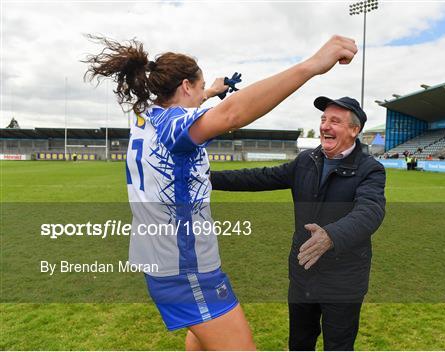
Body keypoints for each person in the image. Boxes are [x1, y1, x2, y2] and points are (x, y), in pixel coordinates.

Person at [83, 35, 358, 350]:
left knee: (199, 338)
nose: (203, 97)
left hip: (164, 263)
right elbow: (231, 115)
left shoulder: (146, 117)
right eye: (198, 89)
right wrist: (311, 66)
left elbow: (187, 107)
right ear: (186, 86)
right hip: (187, 271)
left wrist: (211, 90)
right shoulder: (176, 128)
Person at [211, 96, 386, 350]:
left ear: (354, 130)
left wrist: (331, 236)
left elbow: (370, 211)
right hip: (303, 274)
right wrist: (208, 179)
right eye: (323, 119)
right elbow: (261, 177)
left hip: (344, 281)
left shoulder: (370, 169)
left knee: (339, 346)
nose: (325, 126)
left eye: (335, 121)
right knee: (300, 344)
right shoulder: (307, 160)